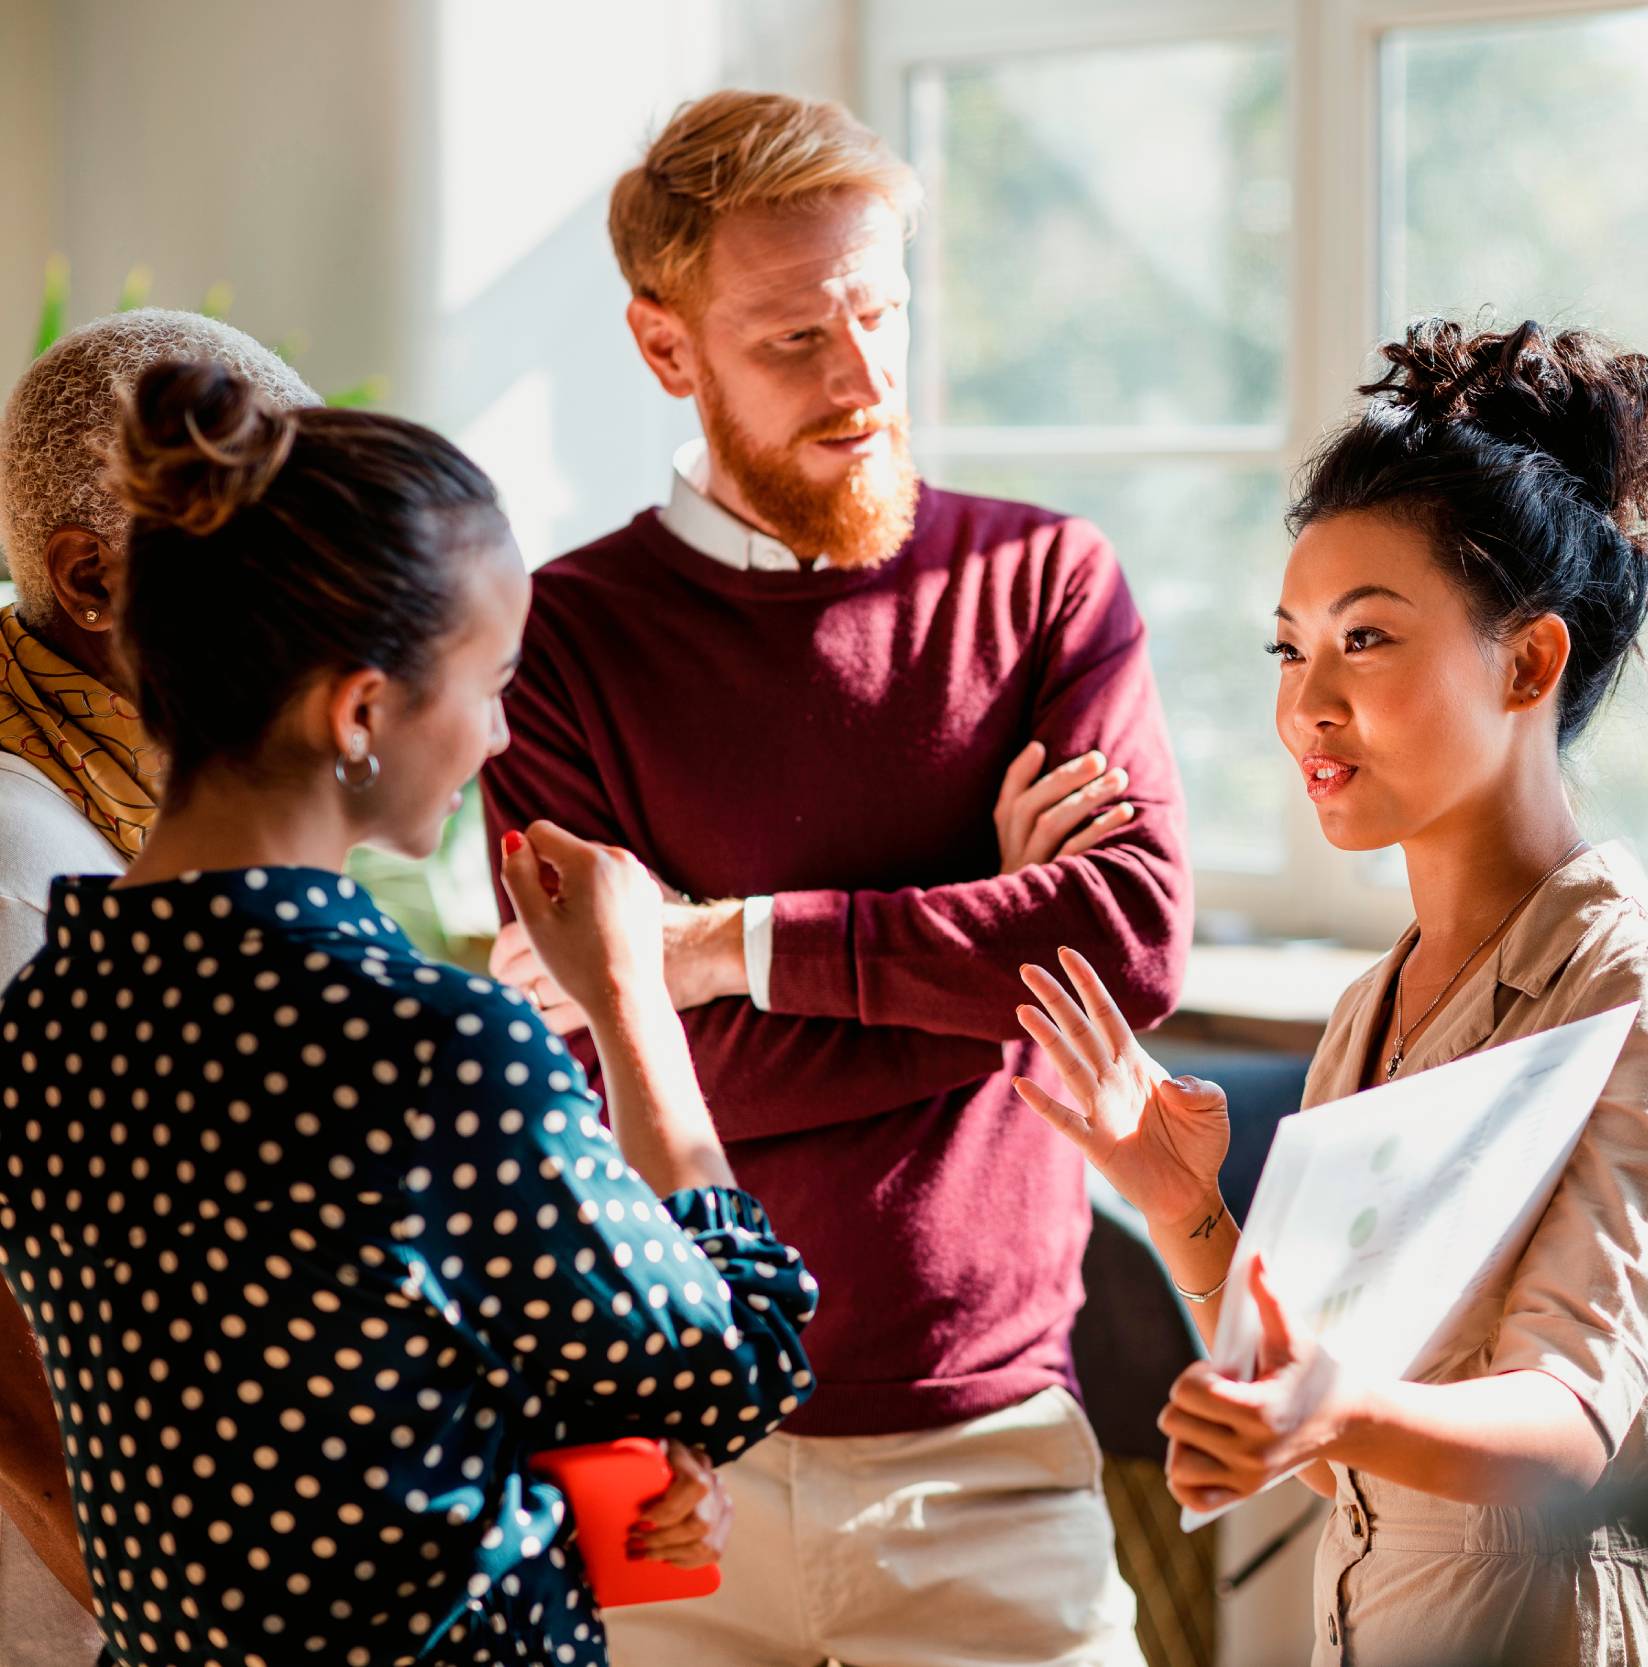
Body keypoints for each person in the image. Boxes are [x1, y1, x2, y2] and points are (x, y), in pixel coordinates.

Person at [479, 89, 1187, 1667]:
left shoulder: (1046, 584)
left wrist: (713, 949)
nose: (863, 379)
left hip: (992, 1457)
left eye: (881, 313)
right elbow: (598, 1063)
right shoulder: (557, 645)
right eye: (796, 338)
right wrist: (984, 974)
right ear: (668, 349)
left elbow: (1124, 949)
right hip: (672, 1473)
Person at [0, 360, 821, 1667]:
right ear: (364, 711)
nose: (500, 736)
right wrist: (629, 1003)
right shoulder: (429, 1049)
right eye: (491, 681)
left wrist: (561, 1481)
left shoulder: (45, 1020)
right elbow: (734, 1363)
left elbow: (301, 1403)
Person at [1016, 319, 1648, 1666]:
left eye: (1365, 640)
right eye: (1288, 649)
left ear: (1529, 664)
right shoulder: (1375, 1006)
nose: (1308, 703)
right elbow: (1319, 1438)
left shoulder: (1639, 989)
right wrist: (1183, 1204)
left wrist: (1334, 1413)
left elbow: (1569, 1428)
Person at [0, 309, 319, 1664]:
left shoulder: (166, 798)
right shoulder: (29, 874)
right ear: (91, 580)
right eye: (274, 553)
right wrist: (162, 1597)